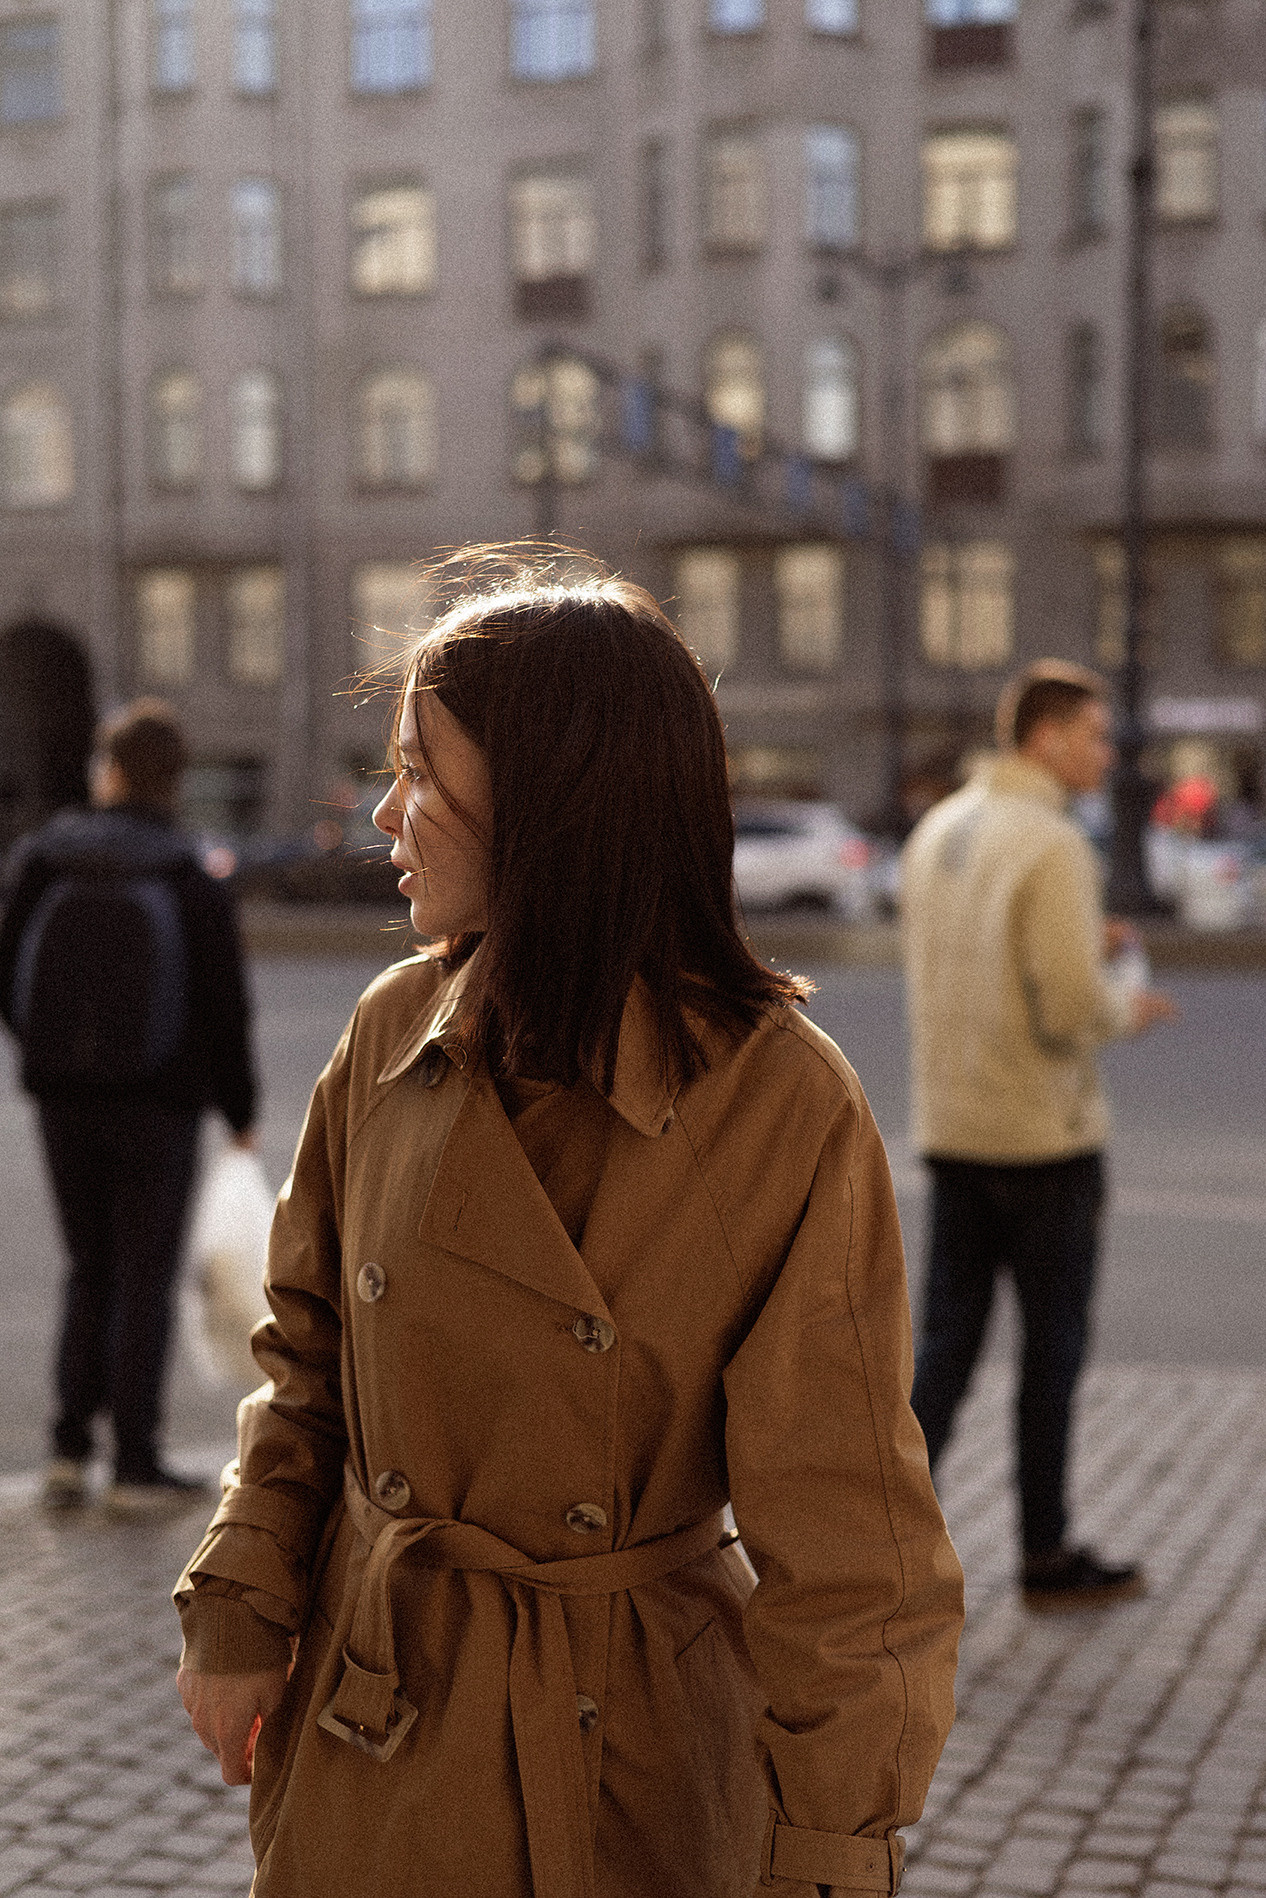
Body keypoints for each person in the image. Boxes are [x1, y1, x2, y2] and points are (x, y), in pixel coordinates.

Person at [173, 556, 963, 1898]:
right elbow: (304, 1363)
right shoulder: (387, 1032)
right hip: (380, 1721)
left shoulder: (777, 1097)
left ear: (552, 802)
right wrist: (241, 1597)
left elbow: (847, 1542)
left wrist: (832, 1845)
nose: (385, 811)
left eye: (421, 771)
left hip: (636, 1754)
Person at [901, 660, 1177, 1614]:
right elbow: (1066, 1011)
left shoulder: (941, 829)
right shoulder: (1054, 843)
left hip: (955, 1129)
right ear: (1047, 739)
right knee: (1049, 1359)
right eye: (1097, 735)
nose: (1109, 752)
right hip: (1043, 1141)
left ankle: (875, 1547)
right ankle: (1046, 1554)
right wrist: (1127, 1008)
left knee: (944, 1352)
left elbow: (974, 962)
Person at [0, 698, 258, 1517]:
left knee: (88, 1265)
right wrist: (239, 1108)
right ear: (175, 782)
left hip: (63, 1099)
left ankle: (68, 1450)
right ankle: (137, 1461)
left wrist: (46, 1052)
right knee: (146, 1274)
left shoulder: (45, 858)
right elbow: (225, 1002)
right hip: (162, 1100)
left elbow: (7, 968)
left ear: (106, 770)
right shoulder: (187, 872)